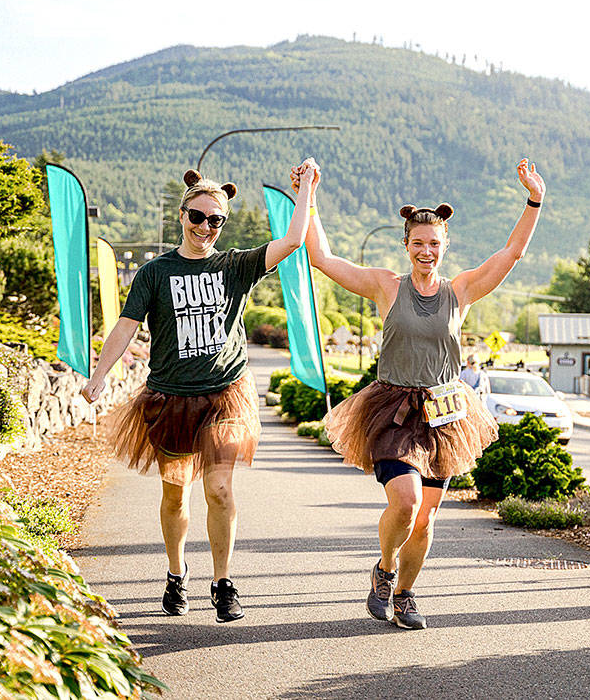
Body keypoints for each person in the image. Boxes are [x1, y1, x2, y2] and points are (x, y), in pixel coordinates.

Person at [297, 158, 545, 630]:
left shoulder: (462, 291)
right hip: (393, 409)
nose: (426, 251)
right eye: (418, 244)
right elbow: (322, 259)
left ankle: (407, 594)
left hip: (444, 412)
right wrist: (309, 196)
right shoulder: (386, 286)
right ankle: (384, 571)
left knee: (426, 519)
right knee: (406, 502)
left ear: (444, 246)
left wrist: (534, 199)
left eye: (434, 244)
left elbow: (511, 253)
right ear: (406, 245)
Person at [80, 162, 319, 623]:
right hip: (170, 397)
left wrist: (306, 189)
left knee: (221, 488)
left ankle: (223, 582)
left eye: (216, 220)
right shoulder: (154, 273)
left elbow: (292, 241)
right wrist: (100, 373)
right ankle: (176, 573)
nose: (206, 227)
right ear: (182, 215)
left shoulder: (235, 266)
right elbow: (127, 325)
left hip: (226, 394)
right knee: (175, 495)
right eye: (198, 217)